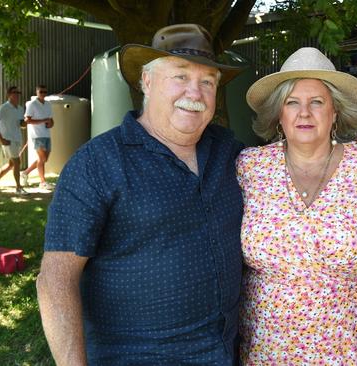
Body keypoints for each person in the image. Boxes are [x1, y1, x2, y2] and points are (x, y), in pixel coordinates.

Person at [36, 24, 245, 365]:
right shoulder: (97, 163)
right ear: (146, 82)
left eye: (207, 81)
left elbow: (296, 165)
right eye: (180, 76)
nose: (195, 92)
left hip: (226, 353)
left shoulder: (230, 153)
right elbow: (55, 280)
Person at [237, 47, 357, 365]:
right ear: (279, 114)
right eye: (292, 103)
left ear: (335, 112)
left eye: (317, 102)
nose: (303, 113)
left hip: (351, 344)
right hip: (268, 346)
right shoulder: (249, 167)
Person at [0, 86, 28, 196]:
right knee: (17, 162)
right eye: (14, 92)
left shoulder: (20, 108)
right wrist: (1, 139)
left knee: (11, 164)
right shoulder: (4, 108)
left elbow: (21, 125)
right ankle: (18, 188)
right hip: (8, 139)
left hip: (17, 138)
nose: (16, 95)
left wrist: (26, 122)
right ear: (9, 94)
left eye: (17, 93)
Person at [22, 85, 54, 190]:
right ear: (37, 92)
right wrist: (43, 121)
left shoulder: (48, 104)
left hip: (46, 134)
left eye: (45, 92)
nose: (43, 93)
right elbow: (27, 120)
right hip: (36, 135)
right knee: (42, 158)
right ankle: (42, 182)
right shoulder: (32, 104)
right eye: (41, 92)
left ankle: (25, 173)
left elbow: (51, 120)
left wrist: (50, 124)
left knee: (44, 159)